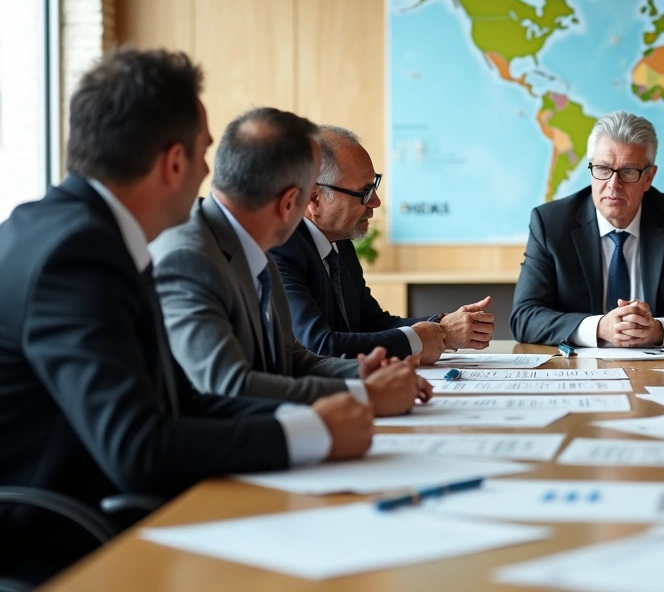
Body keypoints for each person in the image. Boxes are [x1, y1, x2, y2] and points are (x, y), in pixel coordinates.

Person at [0, 49, 374, 584]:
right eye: (202, 154)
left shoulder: (69, 230)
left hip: (109, 514)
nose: (208, 173)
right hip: (65, 545)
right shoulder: (78, 254)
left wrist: (320, 420)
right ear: (173, 162)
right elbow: (138, 447)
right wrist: (310, 433)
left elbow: (182, 398)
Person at [150, 108, 428, 416]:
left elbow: (292, 358)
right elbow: (230, 386)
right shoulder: (188, 258)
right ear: (293, 202)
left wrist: (361, 374)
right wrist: (364, 394)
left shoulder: (256, 247)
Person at [269, 125, 494, 363]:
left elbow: (373, 324)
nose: (375, 202)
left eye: (374, 186)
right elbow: (318, 346)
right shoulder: (280, 250)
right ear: (315, 199)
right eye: (364, 192)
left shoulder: (340, 243)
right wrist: (439, 335)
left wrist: (443, 323)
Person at [510, 111, 664, 347]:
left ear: (649, 178)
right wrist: (599, 327)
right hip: (579, 373)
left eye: (628, 172)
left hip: (662, 372)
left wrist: (657, 330)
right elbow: (525, 316)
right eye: (603, 169)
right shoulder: (551, 223)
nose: (613, 185)